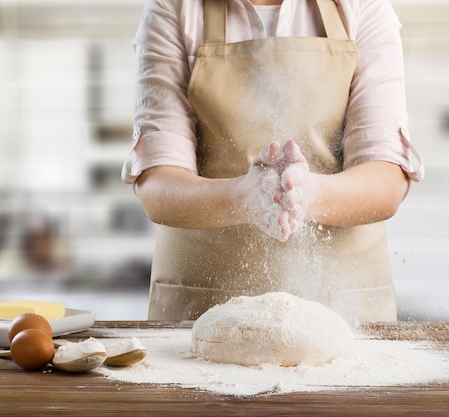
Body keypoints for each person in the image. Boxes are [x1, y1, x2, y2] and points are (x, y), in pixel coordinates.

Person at [121, 0, 424, 324]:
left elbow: (385, 180)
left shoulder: (363, 7)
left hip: (345, 310)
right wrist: (244, 197)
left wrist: (310, 195)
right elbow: (159, 185)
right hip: (202, 310)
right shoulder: (174, 10)